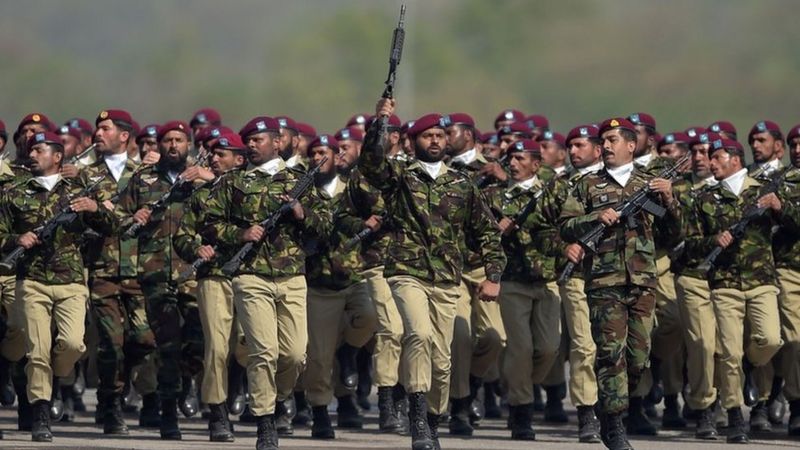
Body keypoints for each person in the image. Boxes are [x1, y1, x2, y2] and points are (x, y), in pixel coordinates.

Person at [359, 98, 505, 450]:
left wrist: (494, 275)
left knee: (443, 358)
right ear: (411, 142)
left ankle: (434, 418)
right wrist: (381, 122)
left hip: (446, 278)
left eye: (440, 134)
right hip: (407, 272)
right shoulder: (399, 177)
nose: (436, 140)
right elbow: (370, 164)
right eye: (427, 135)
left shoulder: (462, 183)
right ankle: (418, 416)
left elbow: (486, 231)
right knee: (418, 336)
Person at [201, 116, 329, 450]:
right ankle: (265, 420)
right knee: (263, 351)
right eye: (250, 141)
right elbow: (211, 224)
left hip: (292, 275)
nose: (253, 145)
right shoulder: (233, 183)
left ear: (277, 142)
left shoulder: (301, 179)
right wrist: (240, 233)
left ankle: (279, 394)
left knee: (295, 354)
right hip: (251, 275)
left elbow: (326, 225)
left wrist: (301, 213)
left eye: (259, 140)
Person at [559, 117, 681, 450]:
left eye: (614, 139)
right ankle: (614, 425)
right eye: (604, 140)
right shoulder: (588, 185)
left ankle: (612, 405)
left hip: (642, 280)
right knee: (610, 354)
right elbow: (566, 227)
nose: (608, 145)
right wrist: (595, 217)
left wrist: (669, 200)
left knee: (637, 358)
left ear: (632, 144)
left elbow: (674, 234)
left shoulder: (651, 184)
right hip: (604, 280)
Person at [0, 131, 118, 441]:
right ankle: (40, 412)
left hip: (71, 281)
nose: (32, 153)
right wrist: (16, 240)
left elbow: (114, 227)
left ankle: (51, 380)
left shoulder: (79, 192)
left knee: (73, 345)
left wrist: (95, 209)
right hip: (33, 281)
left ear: (57, 156)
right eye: (31, 149)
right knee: (37, 352)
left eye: (40, 149)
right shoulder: (13, 191)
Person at [685, 137, 784, 443]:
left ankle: (751, 365)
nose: (710, 163)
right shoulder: (705, 198)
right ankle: (734, 415)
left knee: (770, 339)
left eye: (717, 157)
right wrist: (713, 241)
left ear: (735, 160)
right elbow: (690, 245)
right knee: (728, 352)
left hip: (761, 281)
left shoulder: (764, 191)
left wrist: (781, 207)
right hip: (724, 284)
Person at [117, 120, 207, 440]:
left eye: (179, 140)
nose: (172, 146)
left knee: (198, 342)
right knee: (167, 345)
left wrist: (210, 179)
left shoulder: (201, 178)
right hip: (156, 273)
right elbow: (117, 216)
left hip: (194, 272)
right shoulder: (143, 178)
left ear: (189, 144)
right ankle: (168, 411)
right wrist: (133, 217)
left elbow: (229, 206)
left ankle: (185, 385)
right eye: (167, 140)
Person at [83, 109, 158, 435]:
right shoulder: (86, 174)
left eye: (106, 128)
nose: (98, 133)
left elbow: (161, 211)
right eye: (98, 129)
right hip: (103, 269)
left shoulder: (146, 172)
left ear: (124, 135)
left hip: (140, 270)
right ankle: (111, 403)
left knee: (143, 339)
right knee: (110, 344)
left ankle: (123, 382)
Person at [484, 139, 562, 440]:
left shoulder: (552, 194)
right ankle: (521, 409)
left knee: (549, 348)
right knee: (521, 347)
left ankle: (518, 384)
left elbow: (564, 221)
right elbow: (480, 231)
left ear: (536, 164)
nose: (513, 164)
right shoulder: (494, 195)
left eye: (520, 158)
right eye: (510, 158)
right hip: (513, 281)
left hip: (547, 280)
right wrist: (496, 227)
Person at [174, 132, 249, 442]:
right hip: (215, 277)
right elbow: (181, 236)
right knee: (217, 348)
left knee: (250, 347)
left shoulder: (255, 190)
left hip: (252, 277)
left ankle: (259, 399)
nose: (215, 158)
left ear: (239, 159)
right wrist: (196, 249)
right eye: (213, 153)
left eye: (223, 153)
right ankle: (217, 413)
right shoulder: (200, 196)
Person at [303, 134, 378, 438]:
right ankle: (321, 410)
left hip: (354, 275)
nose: (317, 157)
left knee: (370, 318)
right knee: (319, 356)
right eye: (313, 152)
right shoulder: (303, 191)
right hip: (319, 282)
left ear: (337, 156)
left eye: (324, 152)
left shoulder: (354, 189)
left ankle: (350, 351)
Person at [541, 124, 605, 443]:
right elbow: (540, 228)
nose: (574, 151)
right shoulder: (558, 185)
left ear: (598, 149)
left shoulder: (616, 182)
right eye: (571, 146)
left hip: (614, 275)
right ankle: (587, 412)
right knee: (583, 343)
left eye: (581, 145)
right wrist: (563, 246)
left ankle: (622, 405)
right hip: (576, 275)